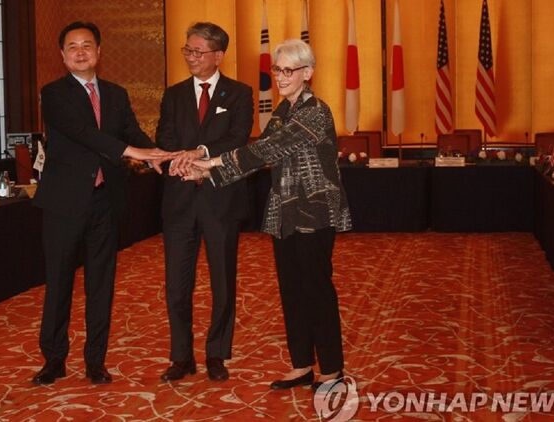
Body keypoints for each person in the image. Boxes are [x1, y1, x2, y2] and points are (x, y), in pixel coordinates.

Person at [174, 39, 352, 389]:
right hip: (285, 213)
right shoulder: (283, 111)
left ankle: (332, 369)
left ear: (307, 73)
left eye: (288, 70)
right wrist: (206, 174)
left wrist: (210, 162)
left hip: (314, 213)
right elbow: (255, 156)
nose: (280, 77)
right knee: (291, 290)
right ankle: (302, 365)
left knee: (316, 290)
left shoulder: (316, 111)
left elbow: (270, 149)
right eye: (277, 69)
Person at [32, 21, 174, 386]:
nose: (80, 52)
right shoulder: (54, 93)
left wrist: (155, 155)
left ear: (99, 51)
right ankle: (54, 359)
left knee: (101, 283)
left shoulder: (116, 93)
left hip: (105, 201)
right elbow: (84, 134)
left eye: (87, 45)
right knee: (59, 282)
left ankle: (95, 360)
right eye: (73, 46)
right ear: (63, 55)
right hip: (64, 203)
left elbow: (131, 131)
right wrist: (133, 152)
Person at [156, 22, 254, 382]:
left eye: (198, 51)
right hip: (180, 200)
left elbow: (237, 138)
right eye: (188, 50)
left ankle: (216, 353)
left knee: (222, 281)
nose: (191, 57)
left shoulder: (239, 94)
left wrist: (200, 154)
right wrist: (183, 162)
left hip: (220, 199)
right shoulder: (174, 95)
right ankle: (181, 356)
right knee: (176, 284)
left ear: (218, 55)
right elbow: (164, 136)